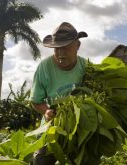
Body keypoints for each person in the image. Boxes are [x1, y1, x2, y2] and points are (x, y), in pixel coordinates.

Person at [30, 22, 88, 165]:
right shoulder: (44, 67)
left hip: (80, 127)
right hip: (52, 124)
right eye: (57, 49)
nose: (61, 53)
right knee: (41, 161)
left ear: (77, 46)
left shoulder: (86, 67)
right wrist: (47, 111)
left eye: (66, 48)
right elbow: (35, 100)